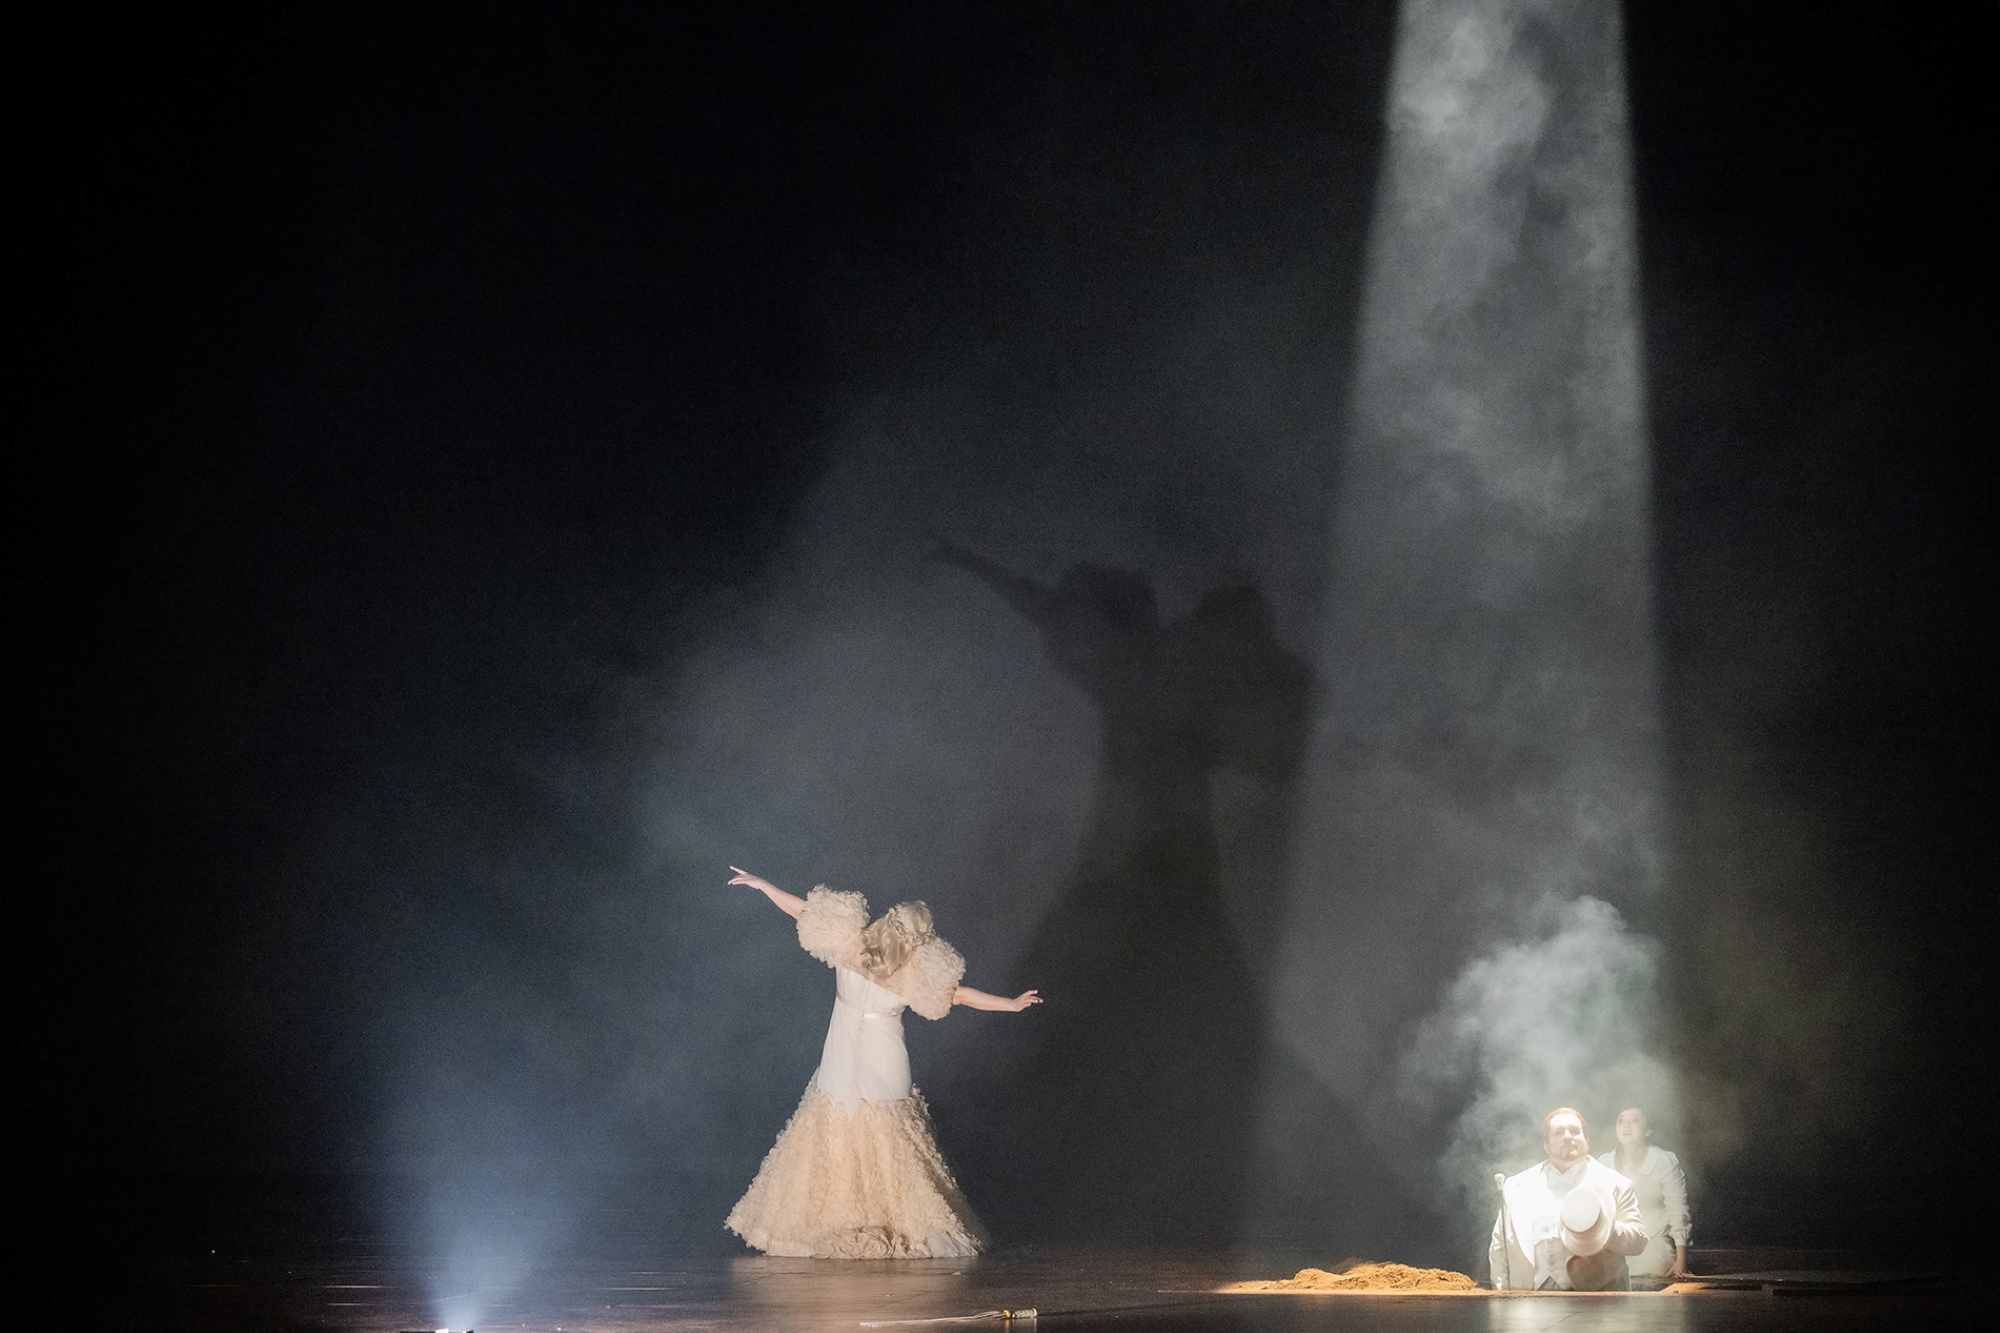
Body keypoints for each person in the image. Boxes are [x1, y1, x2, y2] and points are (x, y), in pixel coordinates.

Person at [723, 867, 1041, 1258]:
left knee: (843, 1129)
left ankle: (855, 1216)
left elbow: (802, 912)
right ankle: (898, 1219)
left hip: (847, 1050)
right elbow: (959, 996)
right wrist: (1009, 1004)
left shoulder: (851, 945)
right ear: (920, 942)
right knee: (889, 1135)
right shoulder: (908, 971)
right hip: (881, 1051)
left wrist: (764, 885)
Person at [1490, 1108, 1648, 1290]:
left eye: (1574, 1131)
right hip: (1527, 1303)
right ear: (1546, 1145)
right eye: (1558, 1132)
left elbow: (1638, 1242)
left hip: (1597, 1306)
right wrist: (1501, 1298)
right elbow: (1499, 1247)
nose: (1567, 1137)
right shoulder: (1516, 1186)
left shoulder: (1617, 1184)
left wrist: (1603, 1228)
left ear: (1586, 1141)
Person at [1599, 1106, 1691, 1281]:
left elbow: (1678, 1210)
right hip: (1619, 1242)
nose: (1626, 1125)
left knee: (1657, 1261)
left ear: (1648, 1130)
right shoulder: (1605, 1163)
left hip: (1654, 1240)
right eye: (1621, 1121)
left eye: (1635, 1120)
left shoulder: (1664, 1161)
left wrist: (1681, 1260)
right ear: (1616, 1131)